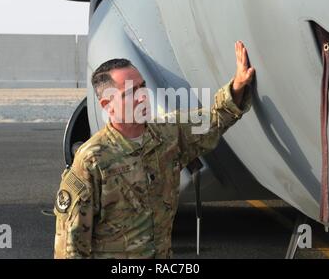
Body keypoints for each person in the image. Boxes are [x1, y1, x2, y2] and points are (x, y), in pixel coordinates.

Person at [54, 41, 255, 258]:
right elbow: (71, 245)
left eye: (142, 86)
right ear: (107, 104)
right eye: (131, 92)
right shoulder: (92, 159)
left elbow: (214, 119)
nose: (142, 96)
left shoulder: (168, 133)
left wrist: (237, 86)